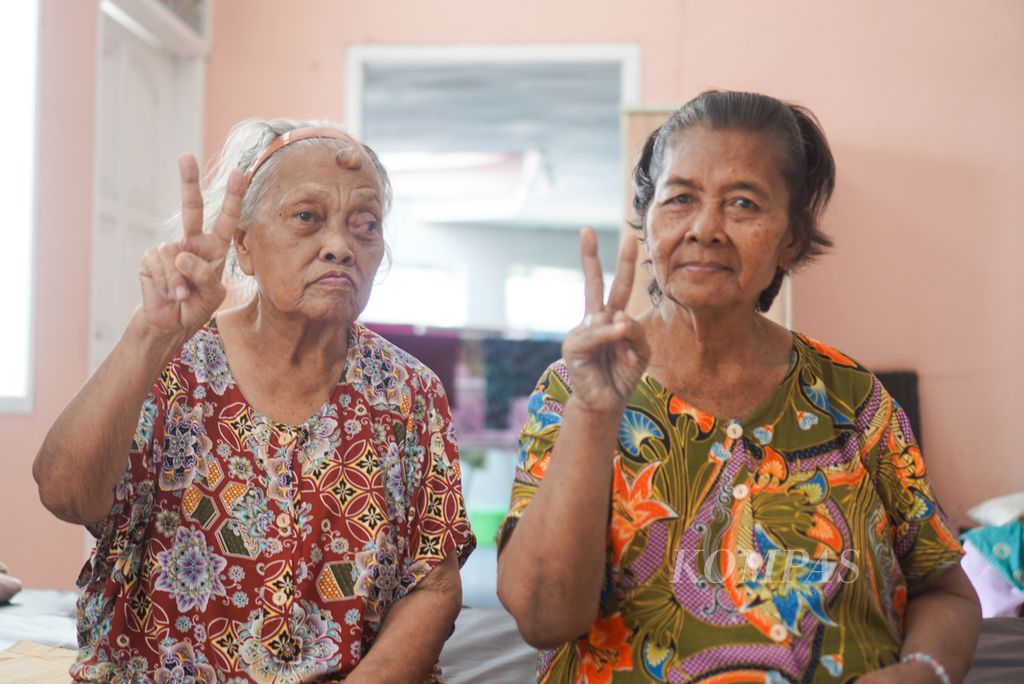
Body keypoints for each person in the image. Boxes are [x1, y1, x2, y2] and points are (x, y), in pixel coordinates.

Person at [496, 91, 980, 683]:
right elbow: (543, 620)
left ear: (792, 239)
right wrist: (595, 414)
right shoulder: (574, 390)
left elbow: (946, 591)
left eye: (743, 204)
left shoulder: (855, 399)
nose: (705, 229)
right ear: (647, 223)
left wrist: (926, 670)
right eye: (679, 199)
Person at [33, 119, 475, 682]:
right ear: (244, 244)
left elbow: (434, 586)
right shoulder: (173, 365)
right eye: (307, 218)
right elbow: (64, 493)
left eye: (365, 225)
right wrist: (151, 333)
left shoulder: (409, 393)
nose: (340, 246)